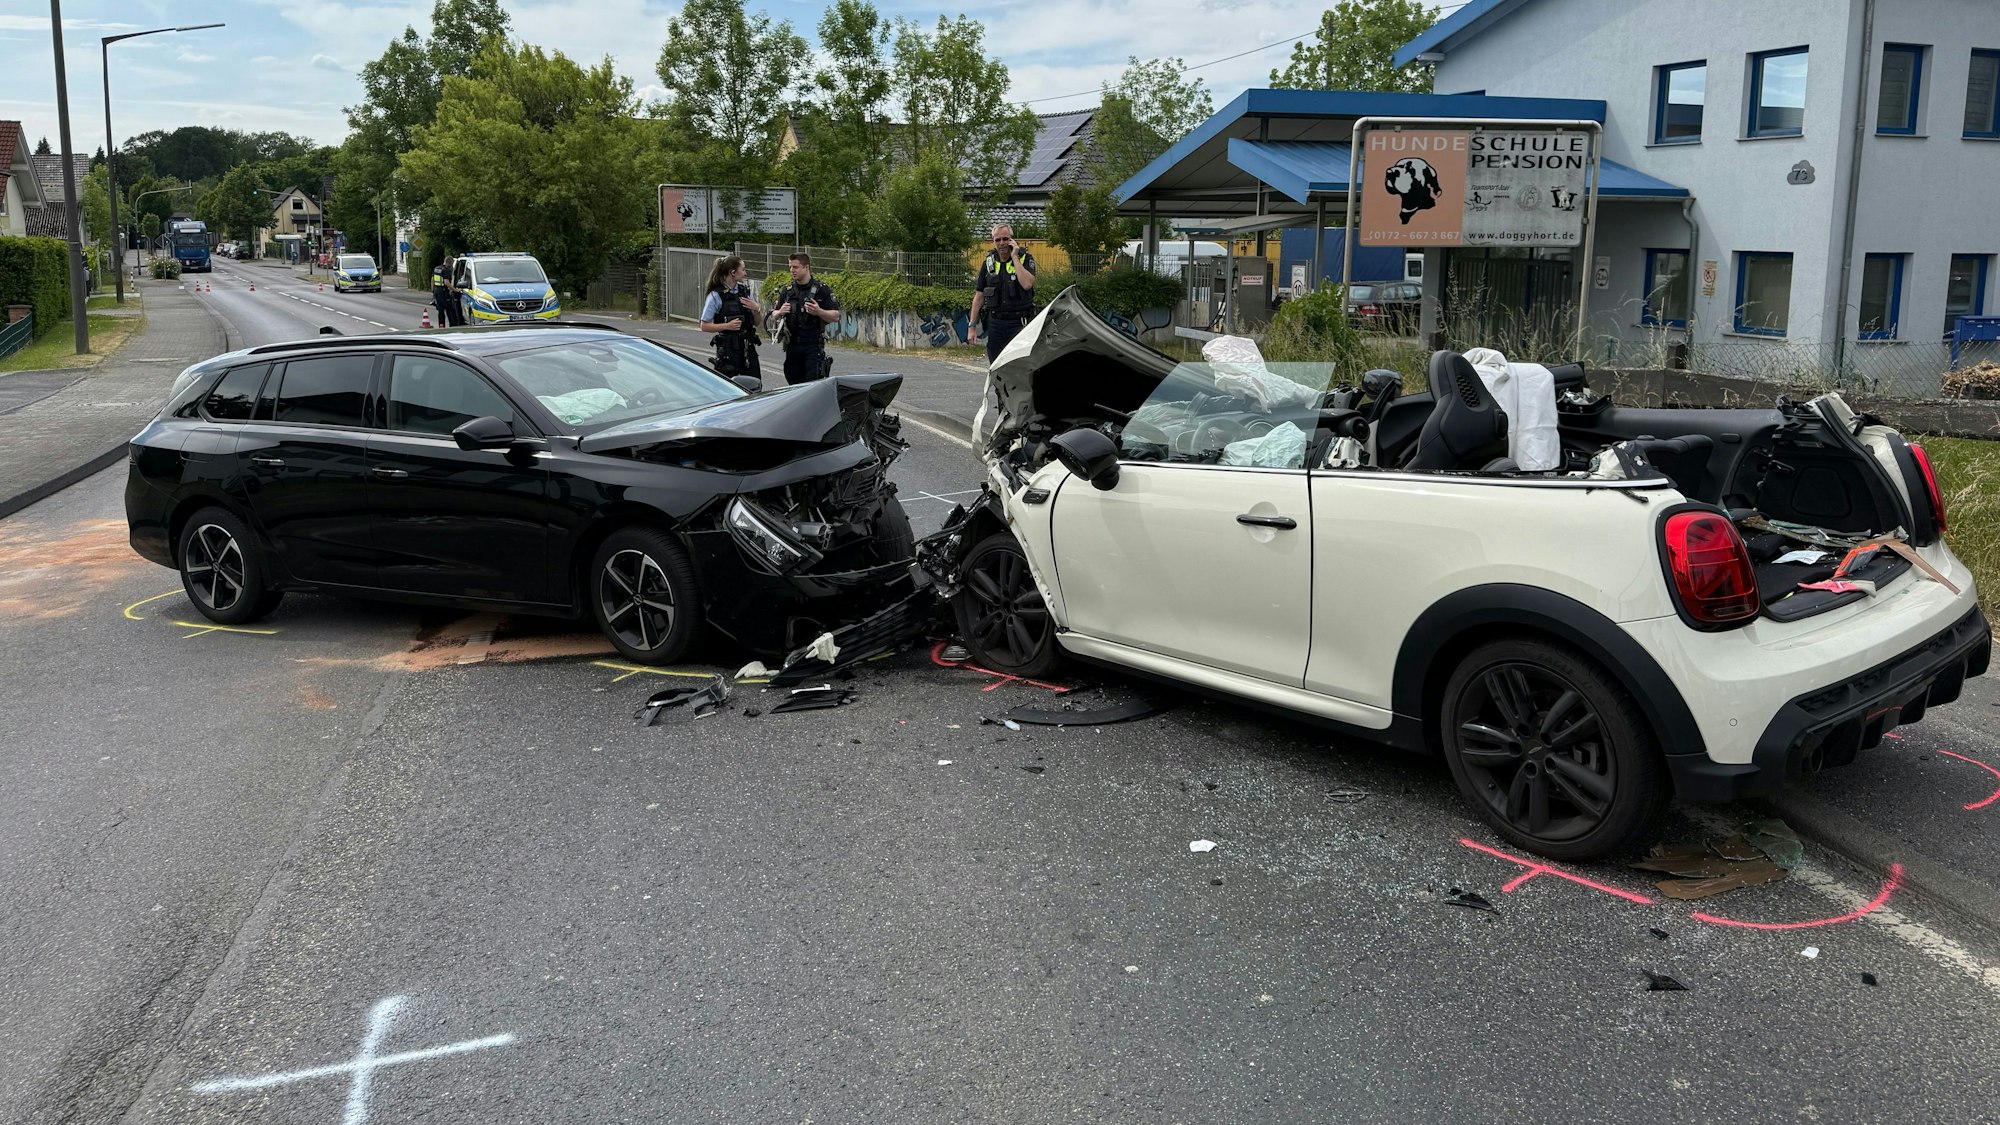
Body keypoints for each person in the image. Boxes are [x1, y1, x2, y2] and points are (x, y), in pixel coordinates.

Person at [968, 224, 1037, 363]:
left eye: (1005, 239)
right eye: (997, 240)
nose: (1001, 243)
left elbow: (1027, 284)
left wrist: (1015, 257)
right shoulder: (989, 263)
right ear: (993, 241)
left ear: (1012, 239)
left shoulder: (1025, 259)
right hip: (996, 323)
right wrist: (972, 327)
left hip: (1019, 323)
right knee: (996, 365)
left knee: (1019, 365)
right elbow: (979, 297)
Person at [770, 252, 839, 384]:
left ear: (806, 267)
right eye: (790, 267)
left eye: (795, 267)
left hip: (812, 345)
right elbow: (774, 314)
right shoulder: (787, 290)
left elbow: (835, 316)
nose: (792, 270)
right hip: (792, 346)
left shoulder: (821, 289)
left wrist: (819, 311)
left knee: (812, 385)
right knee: (794, 385)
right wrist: (779, 312)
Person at [698, 255, 763, 381]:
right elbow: (704, 325)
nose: (745, 273)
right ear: (733, 273)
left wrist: (757, 310)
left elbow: (757, 322)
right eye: (743, 270)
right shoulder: (716, 296)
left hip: (748, 349)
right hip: (728, 352)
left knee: (754, 385)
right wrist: (727, 326)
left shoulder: (745, 292)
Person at [430, 256, 458, 327]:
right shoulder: (446, 270)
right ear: (450, 263)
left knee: (441, 311)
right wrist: (455, 290)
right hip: (444, 292)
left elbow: (432, 280)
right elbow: (446, 282)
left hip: (437, 291)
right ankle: (452, 325)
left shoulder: (436, 268)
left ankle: (441, 326)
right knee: (449, 310)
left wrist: (433, 291)